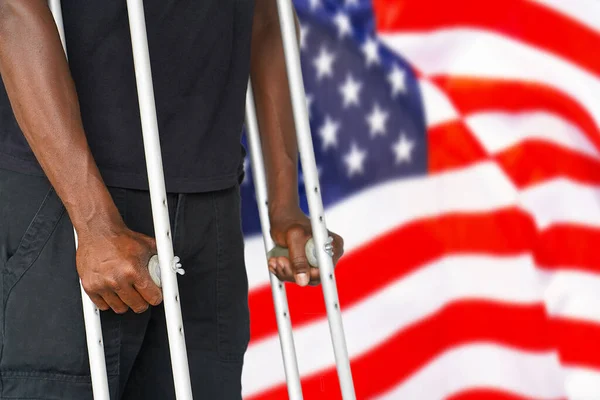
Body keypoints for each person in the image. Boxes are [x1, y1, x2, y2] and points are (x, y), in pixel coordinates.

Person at [0, 1, 345, 399]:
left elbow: (267, 16)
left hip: (209, 203)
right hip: (66, 198)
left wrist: (285, 204)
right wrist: (94, 221)